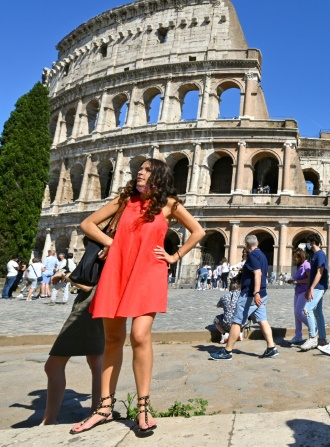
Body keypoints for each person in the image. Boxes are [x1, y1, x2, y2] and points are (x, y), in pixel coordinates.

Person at [70, 158, 204, 435]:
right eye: (140, 169)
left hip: (149, 272)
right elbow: (88, 224)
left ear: (159, 176)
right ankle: (104, 408)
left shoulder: (169, 204)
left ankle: (143, 407)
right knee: (113, 339)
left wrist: (174, 256)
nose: (140, 172)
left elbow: (197, 231)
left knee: (140, 335)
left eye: (146, 170)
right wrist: (113, 243)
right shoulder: (124, 200)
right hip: (117, 270)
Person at [42, 273, 104, 425]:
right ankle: (97, 412)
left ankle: (49, 421)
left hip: (88, 303)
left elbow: (87, 284)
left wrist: (66, 275)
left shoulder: (97, 254)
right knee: (96, 360)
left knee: (53, 365)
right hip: (98, 300)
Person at [209, 234, 278, 360]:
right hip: (262, 294)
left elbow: (257, 273)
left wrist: (256, 292)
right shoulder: (262, 255)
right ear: (257, 243)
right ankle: (271, 347)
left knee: (237, 321)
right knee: (263, 320)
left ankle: (227, 351)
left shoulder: (252, 255)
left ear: (246, 245)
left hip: (250, 295)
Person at [299, 233, 328, 351]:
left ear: (313, 242)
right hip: (316, 286)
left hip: (319, 287)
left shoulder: (320, 254)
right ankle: (322, 338)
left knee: (307, 309)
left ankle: (312, 337)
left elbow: (320, 273)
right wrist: (309, 287)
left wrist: (312, 288)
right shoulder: (315, 255)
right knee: (318, 312)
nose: (307, 245)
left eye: (308, 242)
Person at [287, 248, 311, 344]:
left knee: (298, 313)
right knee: (296, 315)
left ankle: (313, 327)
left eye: (296, 257)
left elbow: (309, 279)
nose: (294, 259)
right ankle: (298, 336)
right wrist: (293, 281)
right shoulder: (299, 266)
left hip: (304, 292)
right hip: (297, 292)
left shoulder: (306, 265)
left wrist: (297, 281)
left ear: (301, 257)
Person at [214, 277, 244, 344]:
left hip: (227, 324)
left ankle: (224, 334)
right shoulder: (242, 296)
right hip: (240, 323)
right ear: (238, 288)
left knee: (216, 320)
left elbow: (218, 305)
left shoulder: (224, 296)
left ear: (229, 288)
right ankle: (239, 332)